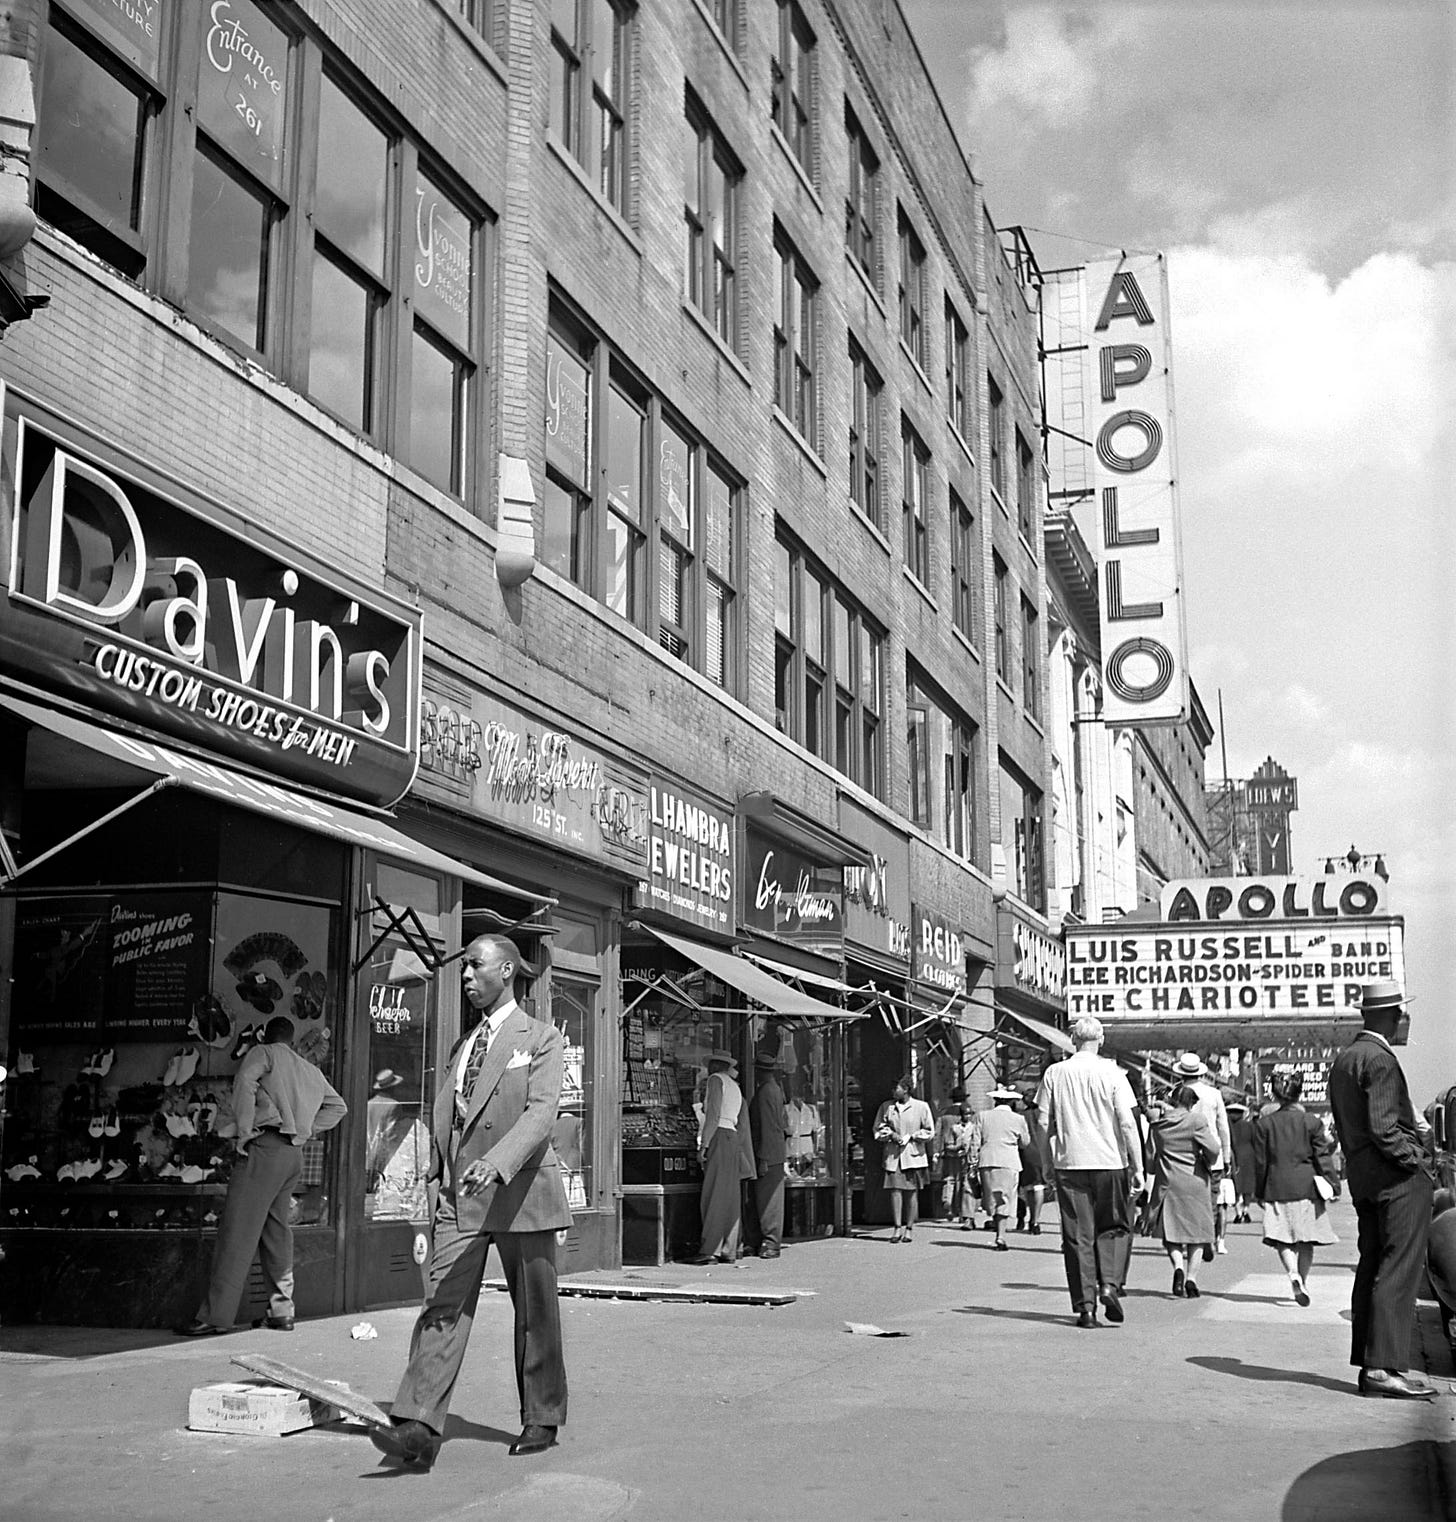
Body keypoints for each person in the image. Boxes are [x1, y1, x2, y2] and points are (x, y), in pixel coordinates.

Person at [371, 935, 573, 1467]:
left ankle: (542, 1417)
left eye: (475, 966)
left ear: (506, 970)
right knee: (443, 1303)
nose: (465, 976)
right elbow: (450, 1117)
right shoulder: (463, 1045)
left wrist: (498, 1161)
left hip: (521, 1190)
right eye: (463, 968)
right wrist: (434, 1173)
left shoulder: (542, 1038)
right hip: (461, 1197)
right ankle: (416, 1424)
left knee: (534, 1312)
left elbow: (541, 1112)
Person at [175, 1015, 346, 1336]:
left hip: (264, 1149)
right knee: (277, 1232)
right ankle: (282, 1310)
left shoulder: (263, 1053)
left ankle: (215, 1316)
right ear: (292, 1040)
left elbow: (244, 1083)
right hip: (292, 1156)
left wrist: (243, 1130)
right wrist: (304, 1130)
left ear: (266, 1035)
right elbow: (339, 1108)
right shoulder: (310, 1070)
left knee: (237, 1232)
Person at [1328, 978, 1436, 1400]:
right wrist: (1419, 1163)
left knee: (1372, 1266)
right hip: (1397, 1179)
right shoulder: (1381, 1059)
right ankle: (1384, 1367)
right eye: (1400, 1012)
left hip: (1364, 1178)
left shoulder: (1345, 1059)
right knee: (1399, 1269)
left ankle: (1370, 1363)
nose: (1402, 1019)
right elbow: (1385, 1127)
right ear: (1391, 1016)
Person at [1037, 1016, 1145, 1329]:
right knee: (1111, 1226)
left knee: (1076, 1235)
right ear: (1101, 1040)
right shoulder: (1113, 1074)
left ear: (1072, 1040)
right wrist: (1137, 1166)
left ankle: (1085, 1308)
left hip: (1069, 1163)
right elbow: (1127, 1122)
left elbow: (1043, 1121)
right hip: (1110, 1162)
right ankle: (1109, 1283)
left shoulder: (1055, 1073)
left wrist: (1046, 1161)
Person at [1252, 1069, 1339, 1306]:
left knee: (1283, 1237)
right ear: (1299, 1093)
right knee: (1306, 1240)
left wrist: (1259, 1191)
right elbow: (1323, 1157)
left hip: (1276, 1186)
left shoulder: (1264, 1125)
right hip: (1306, 1187)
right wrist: (1333, 1183)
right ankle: (1303, 1280)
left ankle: (1292, 1273)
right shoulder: (1311, 1122)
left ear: (1275, 1094)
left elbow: (1260, 1163)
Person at [1147, 1084, 1222, 1299]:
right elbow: (1214, 1149)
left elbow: (1150, 1159)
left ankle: (1178, 1267)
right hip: (1195, 1181)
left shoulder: (1158, 1124)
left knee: (1171, 1232)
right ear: (1191, 1102)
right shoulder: (1196, 1121)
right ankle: (1191, 1279)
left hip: (1168, 1181)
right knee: (1197, 1235)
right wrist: (1207, 1158)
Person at [694, 1049, 754, 1264]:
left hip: (719, 1135)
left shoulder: (715, 1080)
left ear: (715, 1066)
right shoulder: (735, 1087)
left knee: (714, 1195)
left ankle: (711, 1248)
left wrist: (704, 1145)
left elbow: (713, 1115)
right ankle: (730, 1247)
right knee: (730, 1196)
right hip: (733, 1136)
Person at [1171, 1053, 1232, 1256]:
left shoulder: (1176, 1093)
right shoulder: (1214, 1093)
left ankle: (1190, 1241)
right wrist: (1226, 1155)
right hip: (1212, 1154)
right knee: (1211, 1200)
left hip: (1183, 1156)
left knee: (1187, 1200)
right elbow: (1223, 1126)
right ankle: (1208, 1238)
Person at [873, 1075, 935, 1243]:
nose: (893, 1092)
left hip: (913, 1155)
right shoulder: (887, 1107)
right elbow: (878, 1128)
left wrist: (913, 1136)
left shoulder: (921, 1107)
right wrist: (890, 1135)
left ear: (906, 1089)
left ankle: (909, 1228)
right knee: (895, 1191)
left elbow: (929, 1131)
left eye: (897, 1089)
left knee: (912, 1192)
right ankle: (896, 1227)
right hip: (894, 1155)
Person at [748, 1051, 792, 1259]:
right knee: (769, 1199)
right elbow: (783, 1124)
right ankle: (768, 1240)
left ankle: (771, 1242)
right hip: (775, 1150)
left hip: (768, 1153)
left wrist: (763, 1157)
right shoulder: (776, 1090)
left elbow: (766, 1125)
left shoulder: (766, 1092)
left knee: (768, 1200)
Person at [977, 1087, 1029, 1251]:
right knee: (1005, 1197)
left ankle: (996, 1225)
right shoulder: (1018, 1119)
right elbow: (1025, 1142)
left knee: (991, 1197)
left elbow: (975, 1140)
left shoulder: (982, 1116)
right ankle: (1001, 1236)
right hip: (1008, 1160)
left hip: (987, 1159)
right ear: (1011, 1102)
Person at [936, 1091, 981, 1227]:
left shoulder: (943, 1114)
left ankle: (947, 1201)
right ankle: (963, 1212)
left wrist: (936, 1152)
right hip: (965, 1156)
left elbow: (937, 1134)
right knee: (964, 1183)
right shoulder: (971, 1117)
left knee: (949, 1179)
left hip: (948, 1154)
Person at [1016, 1092, 1052, 1235]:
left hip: (1026, 1152)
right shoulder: (1044, 1114)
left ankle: (1031, 1217)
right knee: (1039, 1187)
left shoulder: (1021, 1116)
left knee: (1028, 1187)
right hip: (1042, 1151)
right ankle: (1035, 1220)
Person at [1226, 1098, 1258, 1223]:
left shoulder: (1228, 1126)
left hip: (1233, 1156)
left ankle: (1238, 1213)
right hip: (1249, 1156)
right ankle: (1246, 1210)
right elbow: (1255, 1141)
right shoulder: (1249, 1126)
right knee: (1248, 1186)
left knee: (1236, 1186)